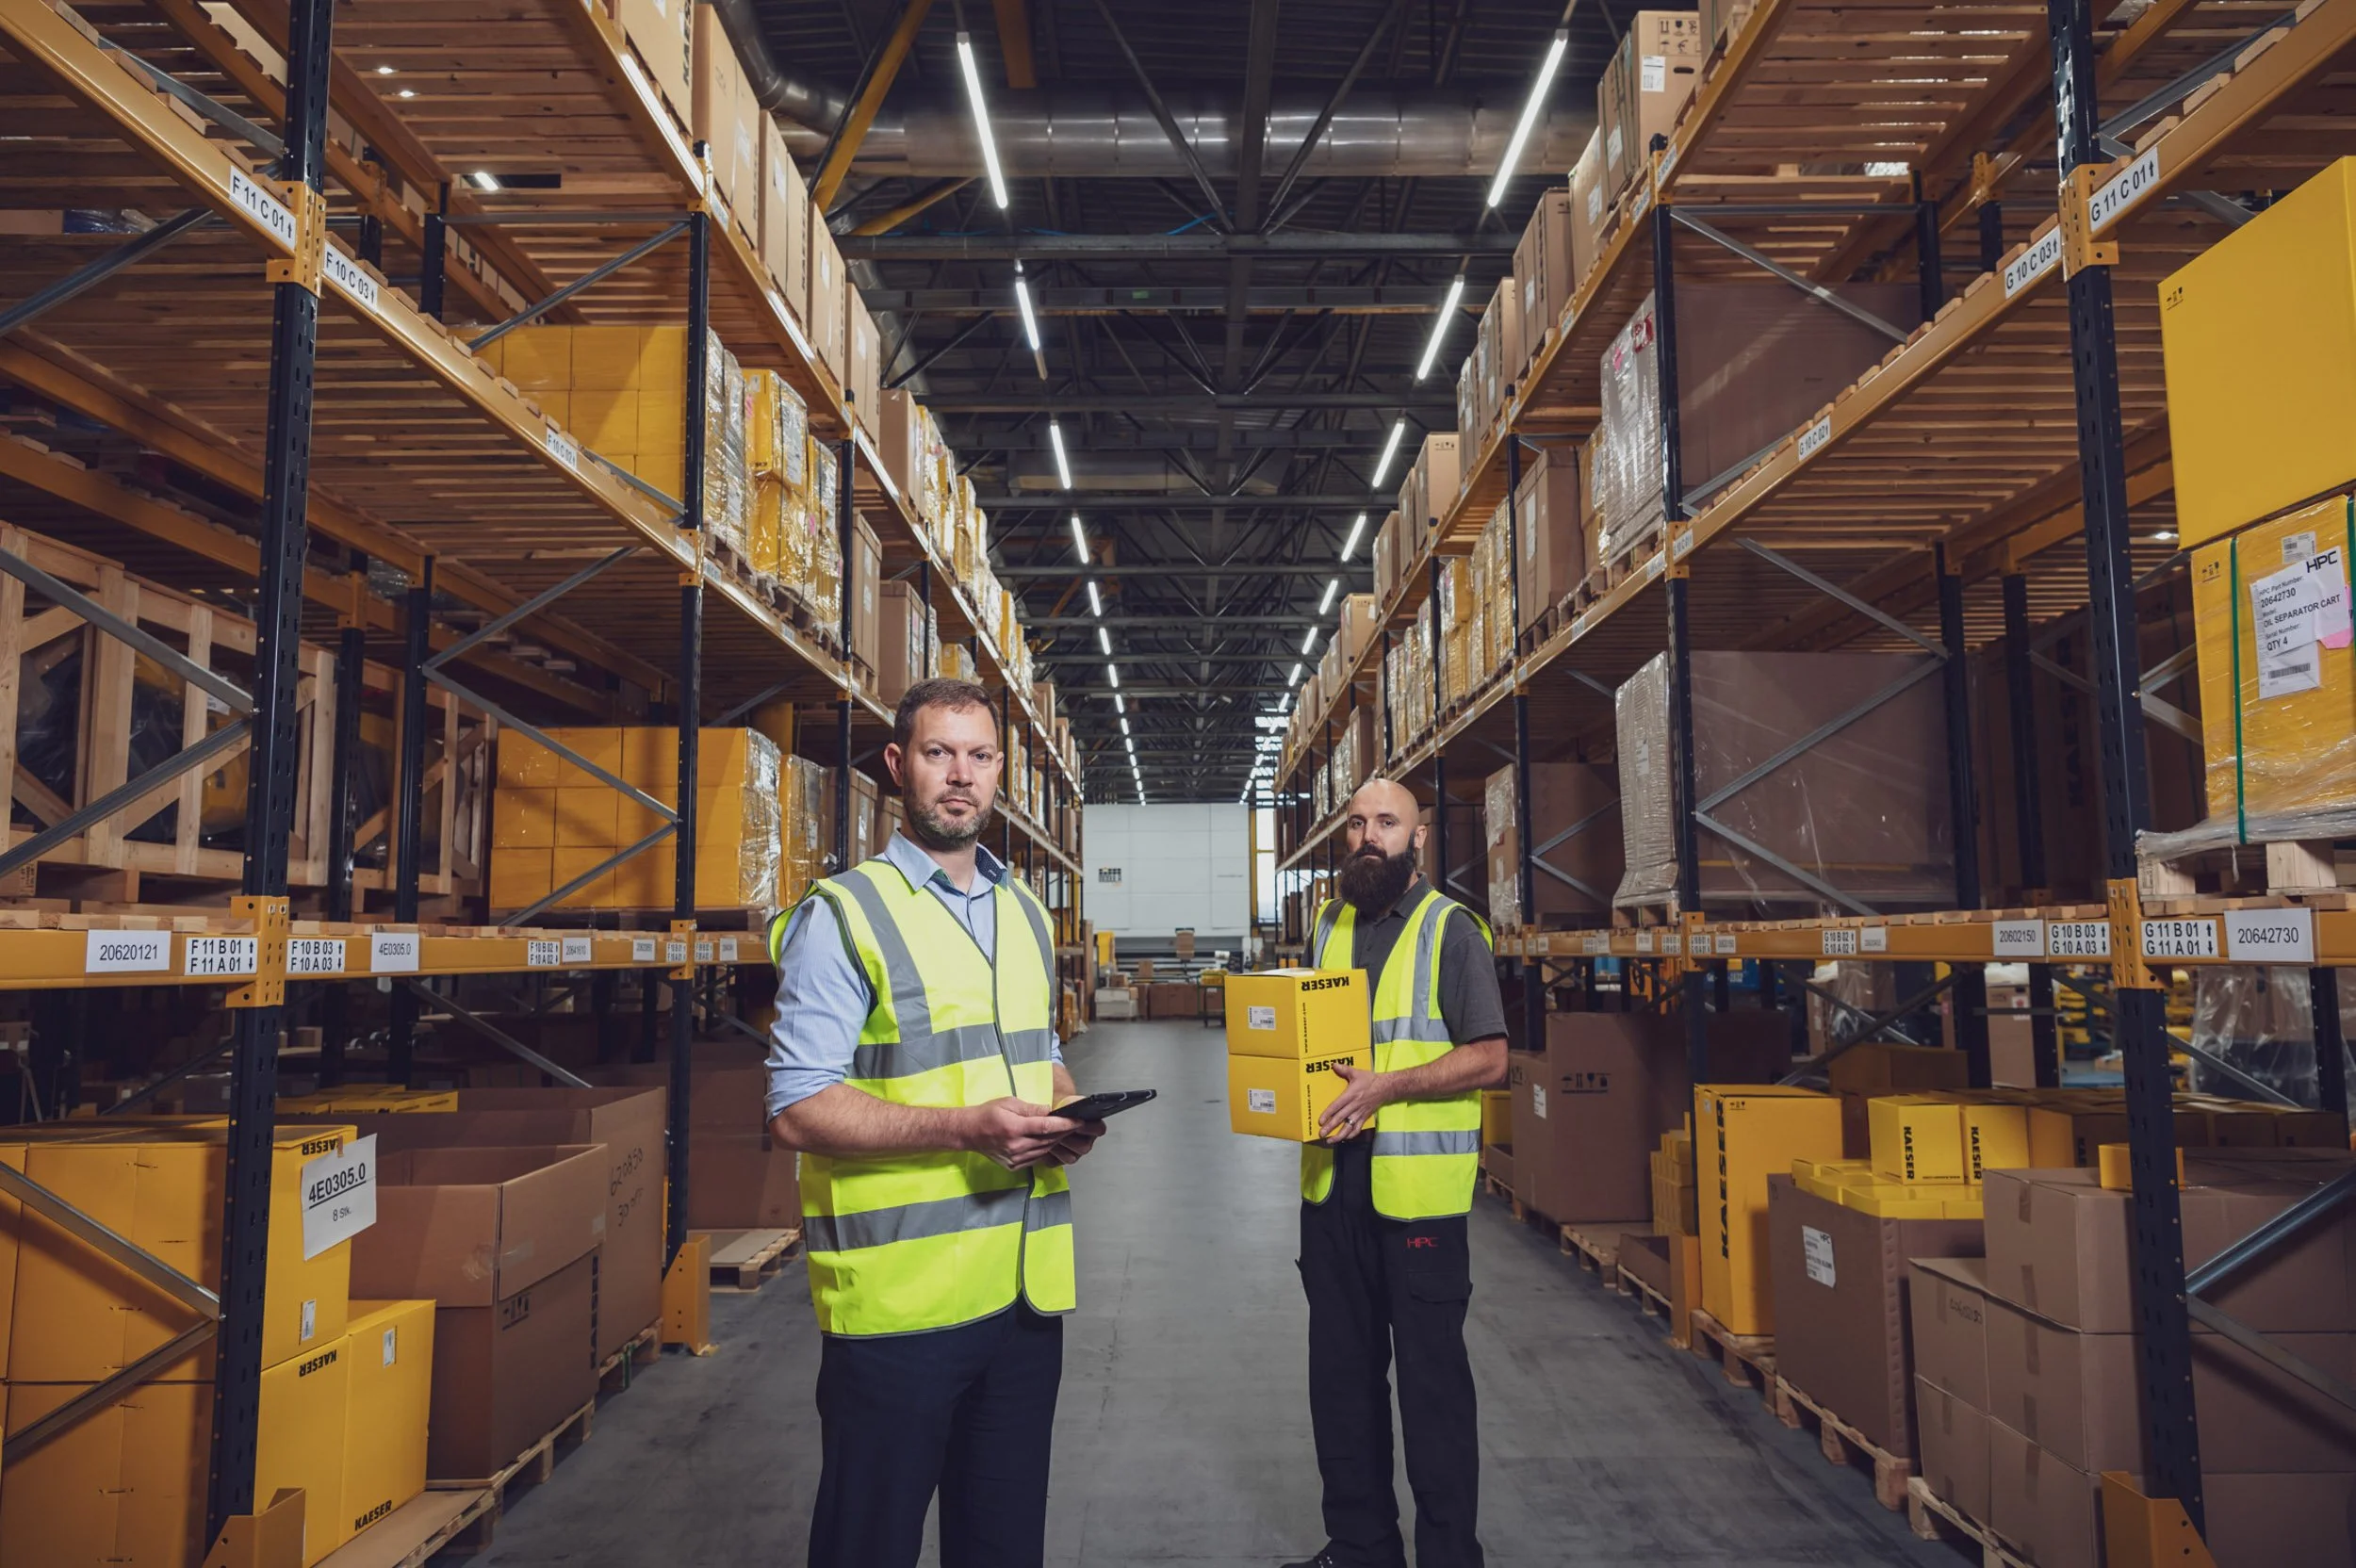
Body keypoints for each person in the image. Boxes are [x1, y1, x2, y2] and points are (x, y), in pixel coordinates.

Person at [765, 678, 1105, 1568]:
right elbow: (798, 1109)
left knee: (1003, 1547)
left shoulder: (1027, 914)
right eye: (938, 753)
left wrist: (1066, 1113)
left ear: (1001, 774)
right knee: (867, 1546)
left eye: (981, 757)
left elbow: (1041, 1060)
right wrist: (969, 1129)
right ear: (897, 766)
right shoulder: (843, 915)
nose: (962, 776)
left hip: (1026, 1294)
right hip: (901, 1310)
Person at [1285, 776, 1508, 1568]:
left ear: (1417, 838)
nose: (1368, 835)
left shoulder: (1453, 931)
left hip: (1416, 1205)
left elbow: (1489, 1056)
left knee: (1432, 1395)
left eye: (1387, 822)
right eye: (1356, 823)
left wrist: (1391, 1084)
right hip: (1333, 1191)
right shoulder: (1329, 924)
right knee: (1341, 1388)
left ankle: (1449, 1558)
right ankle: (1360, 1549)